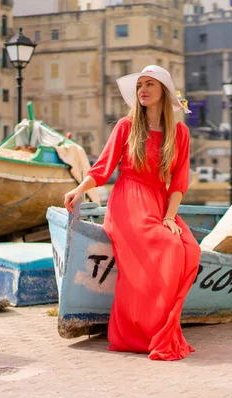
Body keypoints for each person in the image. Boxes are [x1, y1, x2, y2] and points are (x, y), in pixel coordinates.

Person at [64, 65, 200, 361]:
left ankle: (160, 328)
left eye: (150, 84)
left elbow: (179, 181)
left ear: (164, 91)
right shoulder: (126, 127)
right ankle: (137, 332)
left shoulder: (180, 132)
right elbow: (102, 168)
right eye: (140, 84)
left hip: (160, 203)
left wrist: (168, 217)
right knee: (166, 246)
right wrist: (79, 189)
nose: (143, 89)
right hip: (128, 200)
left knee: (188, 248)